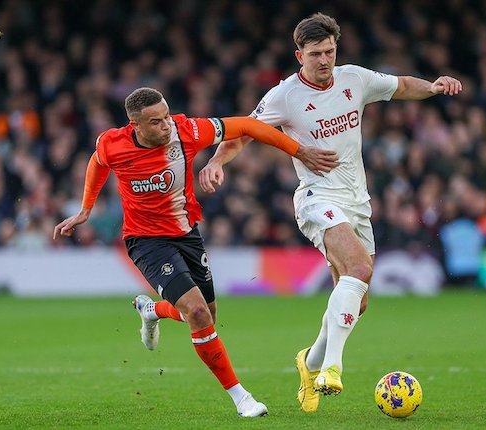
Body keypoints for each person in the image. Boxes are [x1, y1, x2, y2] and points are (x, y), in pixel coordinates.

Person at [198, 13, 462, 412]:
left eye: (330, 52)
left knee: (359, 300)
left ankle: (311, 360)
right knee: (359, 270)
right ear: (298, 54)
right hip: (316, 198)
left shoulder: (354, 78)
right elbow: (245, 132)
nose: (325, 60)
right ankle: (333, 368)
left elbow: (403, 85)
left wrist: (435, 86)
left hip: (357, 202)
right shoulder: (284, 96)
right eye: (316, 53)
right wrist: (218, 161)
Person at [52, 87, 338, 418]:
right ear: (135, 125)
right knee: (198, 314)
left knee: (206, 316)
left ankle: (153, 310)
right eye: (156, 122)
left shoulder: (185, 131)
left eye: (166, 116)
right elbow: (98, 162)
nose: (166, 126)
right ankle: (241, 398)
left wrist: (299, 151)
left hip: (187, 234)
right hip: (146, 241)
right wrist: (86, 209)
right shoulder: (112, 143)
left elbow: (247, 125)